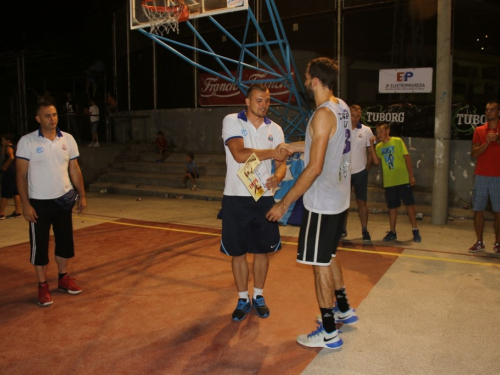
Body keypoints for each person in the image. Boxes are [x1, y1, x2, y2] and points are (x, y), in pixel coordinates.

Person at [266, 57, 357, 350]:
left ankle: (329, 332)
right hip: (340, 199)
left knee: (318, 264)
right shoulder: (341, 106)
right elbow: (324, 144)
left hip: (323, 202)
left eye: (307, 78)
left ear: (315, 81)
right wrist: (293, 146)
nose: (305, 82)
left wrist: (283, 203)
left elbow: (315, 167)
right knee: (328, 256)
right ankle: (343, 308)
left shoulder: (321, 115)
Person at [221, 83, 287, 322]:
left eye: (267, 101)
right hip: (236, 197)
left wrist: (276, 178)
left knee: (262, 251)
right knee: (237, 252)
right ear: (247, 102)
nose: (264, 105)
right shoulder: (232, 121)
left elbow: (282, 166)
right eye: (259, 100)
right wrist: (272, 153)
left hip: (264, 199)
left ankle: (258, 295)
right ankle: (242, 298)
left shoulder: (276, 129)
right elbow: (239, 154)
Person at [16, 101, 87, 307]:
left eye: (55, 114)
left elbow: (74, 169)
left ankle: (63, 278)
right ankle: (42, 285)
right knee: (40, 247)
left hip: (63, 200)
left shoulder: (68, 139)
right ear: (38, 119)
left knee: (65, 243)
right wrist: (25, 205)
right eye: (47, 115)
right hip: (38, 203)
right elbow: (20, 175)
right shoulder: (27, 142)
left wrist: (82, 195)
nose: (52, 119)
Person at [369, 123, 421, 242]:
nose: (379, 134)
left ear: (388, 131)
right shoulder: (379, 147)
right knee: (392, 207)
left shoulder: (397, 141)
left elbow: (406, 158)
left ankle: (415, 230)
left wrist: (411, 176)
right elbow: (376, 162)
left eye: (381, 131)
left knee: (409, 204)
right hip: (390, 181)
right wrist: (372, 146)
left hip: (402, 179)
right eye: (377, 132)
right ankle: (392, 231)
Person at [468, 100, 500, 253]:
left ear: (498, 112)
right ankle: (479, 242)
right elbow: (474, 154)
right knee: (478, 210)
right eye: (487, 109)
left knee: (498, 211)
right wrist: (487, 142)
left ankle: (498, 243)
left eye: (492, 110)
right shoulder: (479, 131)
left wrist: (497, 140)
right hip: (481, 175)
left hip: (498, 176)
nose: (489, 112)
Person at [341, 104, 373, 242]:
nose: (355, 118)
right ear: (348, 115)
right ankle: (342, 229)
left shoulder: (366, 131)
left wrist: (366, 169)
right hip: (345, 172)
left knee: (362, 202)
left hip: (360, 172)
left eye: (358, 116)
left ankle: (365, 229)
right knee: (343, 203)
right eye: (353, 115)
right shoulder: (341, 129)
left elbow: (371, 152)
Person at [1, 133, 22, 219]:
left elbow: (11, 157)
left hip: (10, 172)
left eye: (3, 140)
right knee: (16, 192)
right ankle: (17, 211)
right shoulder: (16, 147)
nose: (2, 142)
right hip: (15, 171)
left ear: (7, 140)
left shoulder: (9, 148)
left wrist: (5, 165)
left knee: (5, 192)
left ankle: (1, 213)